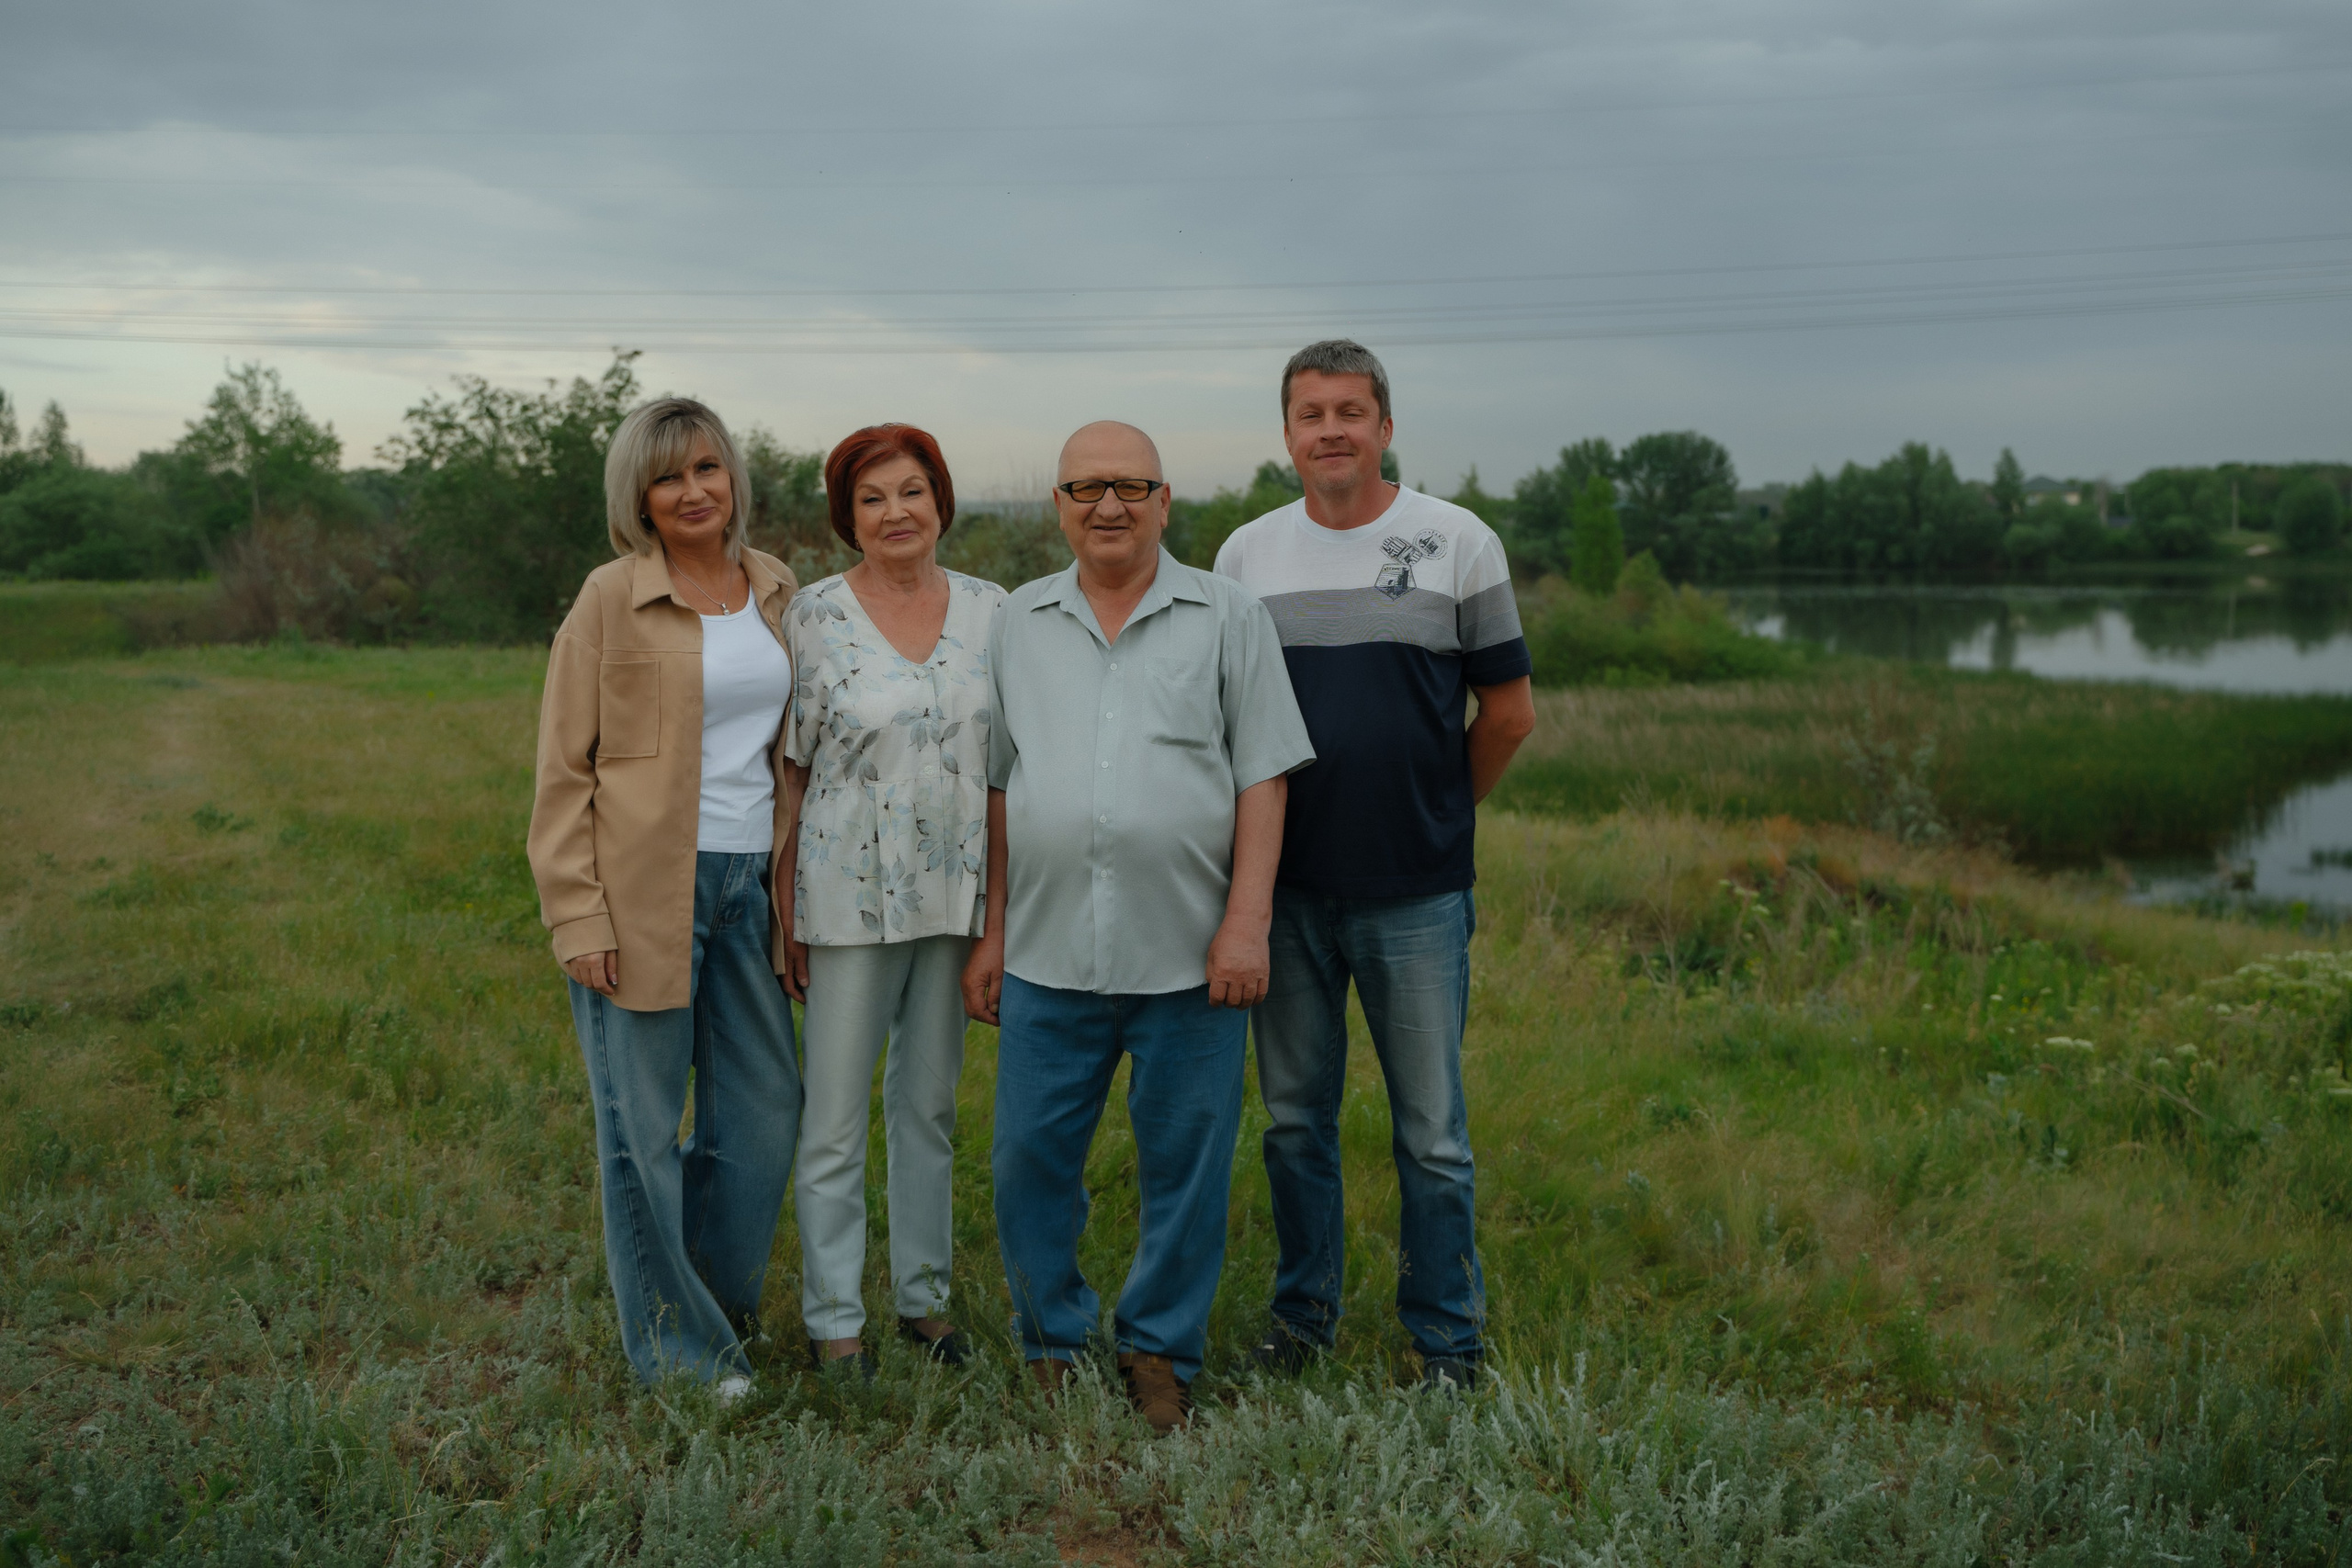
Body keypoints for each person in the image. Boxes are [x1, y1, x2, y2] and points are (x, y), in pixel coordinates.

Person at [961, 421, 1314, 1433]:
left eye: (1128, 486)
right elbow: (1000, 786)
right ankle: (1052, 1343)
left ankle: (1160, 1347)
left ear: (1164, 500)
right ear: (1058, 506)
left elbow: (1264, 775)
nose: (1106, 506)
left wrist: (1245, 924)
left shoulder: (1227, 615)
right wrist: (991, 933)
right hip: (1044, 950)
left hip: (1191, 959)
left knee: (1187, 1170)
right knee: (1029, 1158)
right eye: (1084, 488)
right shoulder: (1018, 622)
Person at [1213, 340, 1536, 1391]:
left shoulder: (1456, 542)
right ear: (1288, 436)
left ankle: (1447, 1339)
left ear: (1385, 426)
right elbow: (1221, 725)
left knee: (1433, 1134)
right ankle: (1302, 1319)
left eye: (1351, 411)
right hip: (1284, 893)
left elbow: (1509, 713)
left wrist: (1440, 809)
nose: (1331, 431)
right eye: (1311, 414)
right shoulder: (1244, 559)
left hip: (1417, 896)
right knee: (1295, 1121)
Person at [527, 397, 805, 1397]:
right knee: (641, 1133)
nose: (692, 492)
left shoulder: (774, 588)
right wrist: (578, 913)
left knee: (766, 1115)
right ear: (638, 498)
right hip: (644, 889)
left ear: (732, 478)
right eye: (667, 477)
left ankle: (709, 1311)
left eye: (706, 470)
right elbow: (563, 772)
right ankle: (679, 1358)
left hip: (750, 891)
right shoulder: (609, 598)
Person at [780, 424, 1004, 1375]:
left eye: (911, 491)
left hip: (956, 899)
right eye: (872, 499)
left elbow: (1006, 772)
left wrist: (1001, 915)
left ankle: (925, 1304)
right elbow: (790, 769)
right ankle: (835, 1319)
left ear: (940, 501)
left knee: (928, 1108)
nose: (895, 513)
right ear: (847, 519)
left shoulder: (998, 613)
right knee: (834, 1118)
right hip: (844, 897)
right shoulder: (813, 616)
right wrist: (781, 901)